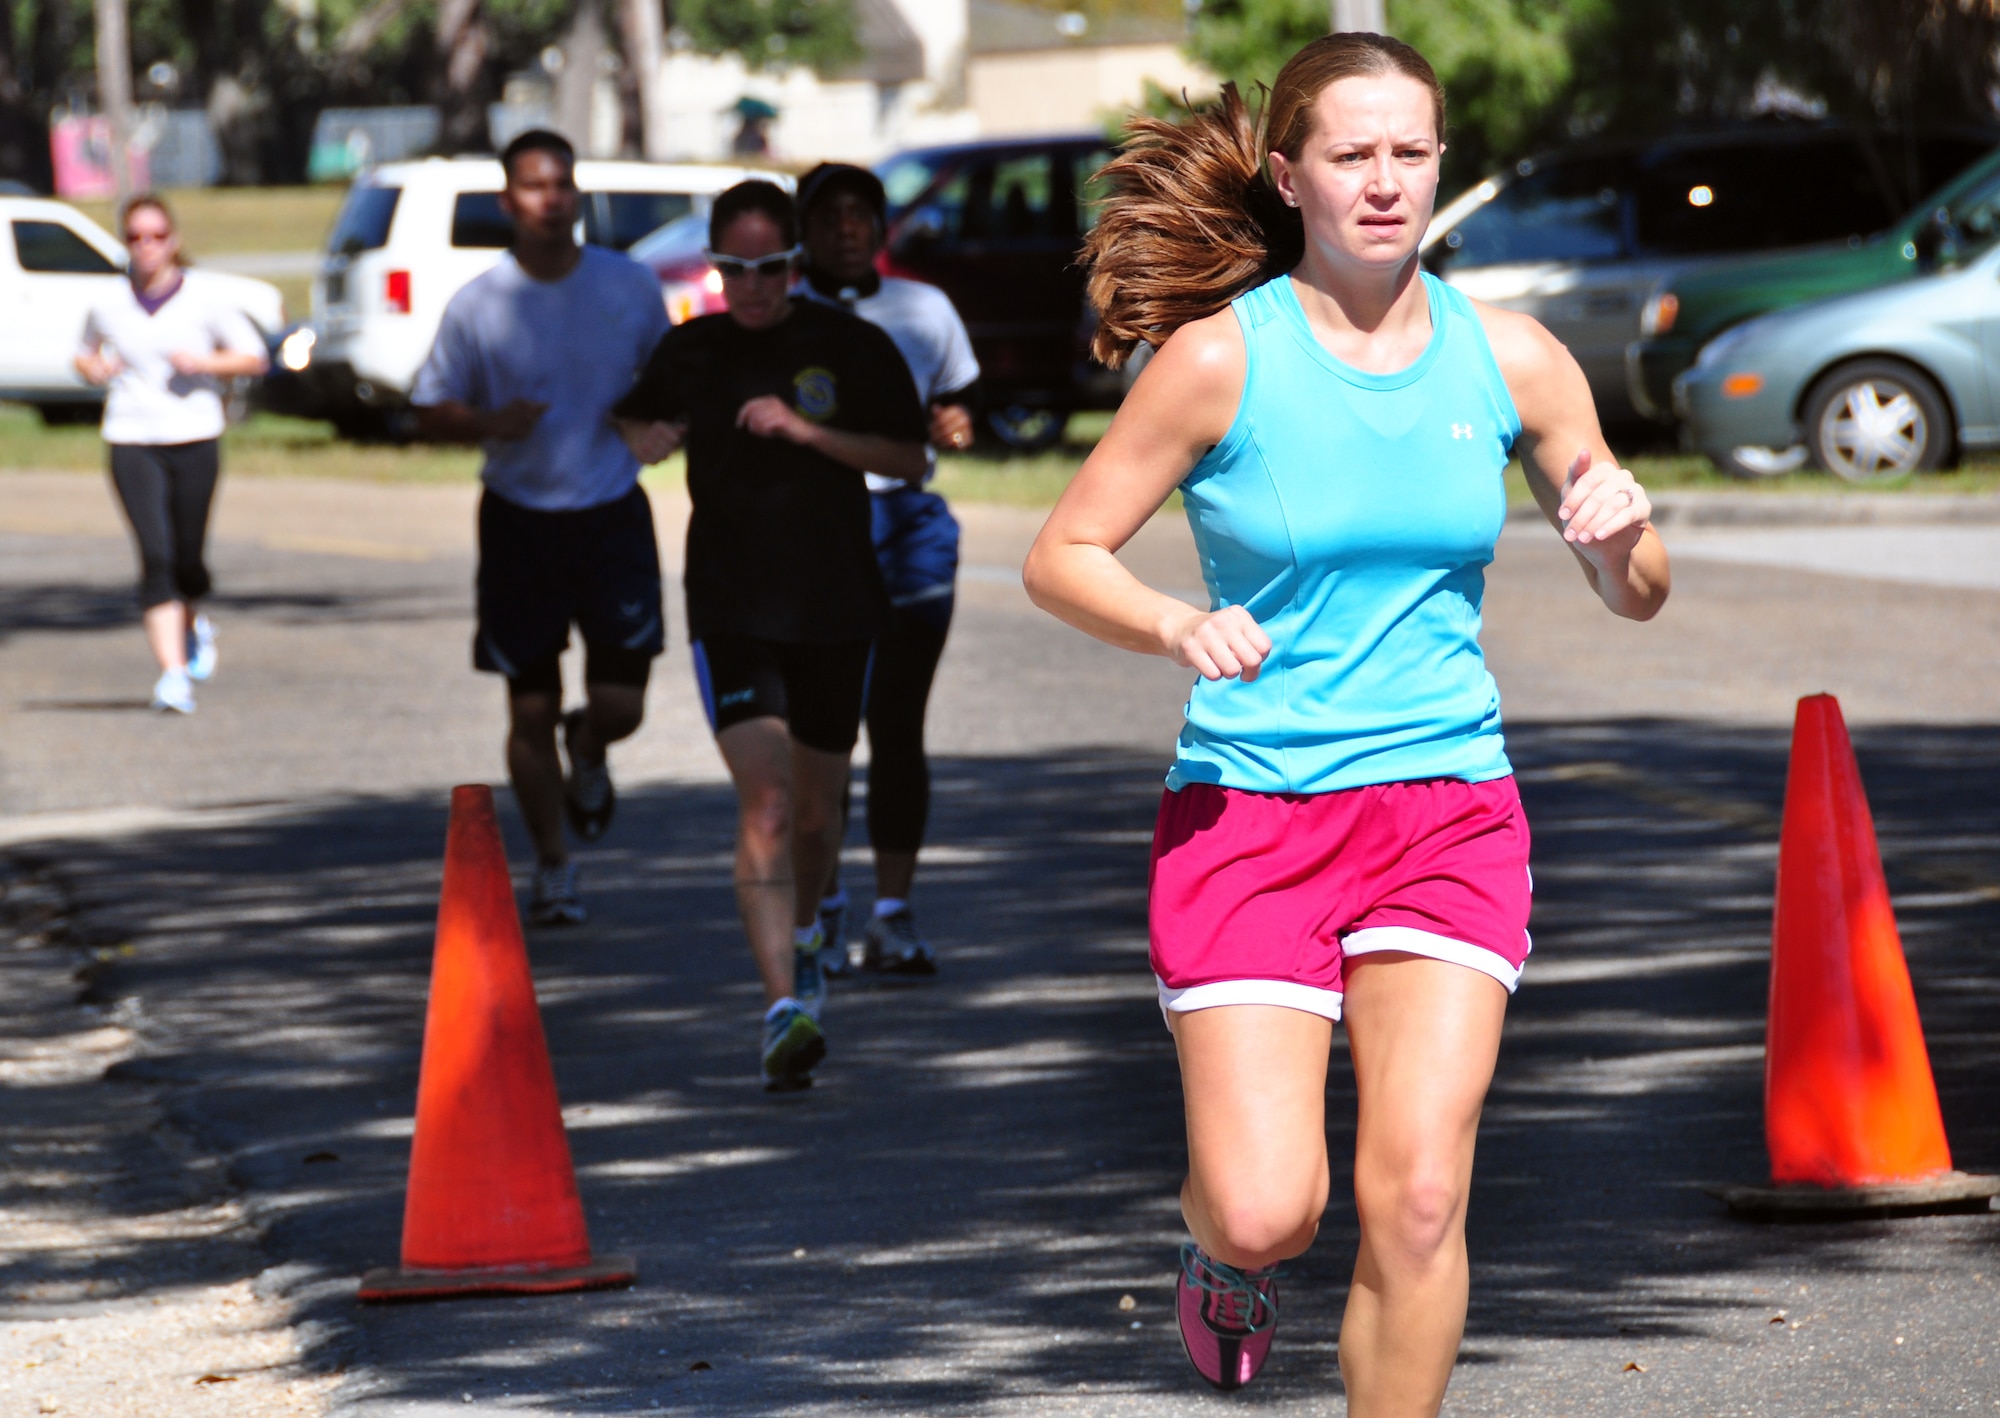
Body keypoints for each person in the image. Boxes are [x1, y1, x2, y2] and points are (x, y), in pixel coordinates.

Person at [1023, 35, 1669, 1406]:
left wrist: (1622, 543)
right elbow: (1063, 552)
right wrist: (1173, 624)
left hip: (1448, 811)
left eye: (1410, 153)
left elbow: (1638, 590)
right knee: (1269, 1208)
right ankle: (1223, 1250)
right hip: (1251, 813)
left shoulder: (1517, 357)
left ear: (1442, 163)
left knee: (1422, 1195)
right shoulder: (1215, 362)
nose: (1385, 182)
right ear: (1292, 175)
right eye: (1352, 154)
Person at [613, 180, 929, 1091]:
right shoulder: (692, 348)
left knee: (820, 815)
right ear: (713, 267)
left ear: (795, 263)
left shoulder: (849, 346)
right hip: (731, 607)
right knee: (771, 805)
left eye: (769, 267)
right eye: (733, 269)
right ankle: (782, 1006)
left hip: (835, 605)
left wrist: (807, 430)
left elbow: (910, 459)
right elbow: (634, 416)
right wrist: (647, 435)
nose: (751, 286)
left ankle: (809, 924)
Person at [411, 129, 671, 927]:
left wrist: (661, 427)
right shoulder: (478, 302)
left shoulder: (628, 284)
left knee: (622, 702)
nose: (551, 200)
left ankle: (589, 745)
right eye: (533, 187)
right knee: (526, 708)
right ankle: (555, 864)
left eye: (562, 184)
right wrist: (490, 420)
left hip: (611, 514)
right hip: (520, 520)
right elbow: (427, 410)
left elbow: (672, 384)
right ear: (507, 201)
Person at [794, 162, 981, 978]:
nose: (845, 227)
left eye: (859, 213)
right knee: (823, 734)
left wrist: (956, 422)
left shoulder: (922, 307)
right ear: (803, 231)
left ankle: (893, 913)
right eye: (828, 214)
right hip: (812, 532)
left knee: (897, 726)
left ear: (881, 227)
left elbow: (957, 405)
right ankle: (824, 907)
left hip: (907, 528)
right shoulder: (782, 320)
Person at [75, 194, 269, 715]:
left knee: (188, 560)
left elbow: (255, 357)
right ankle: (172, 675)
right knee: (156, 557)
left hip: (195, 435)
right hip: (130, 437)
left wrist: (204, 360)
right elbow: (84, 351)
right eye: (136, 237)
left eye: (157, 236)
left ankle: (193, 621)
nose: (147, 247)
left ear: (174, 241)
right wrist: (91, 368)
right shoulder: (108, 302)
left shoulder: (205, 298)